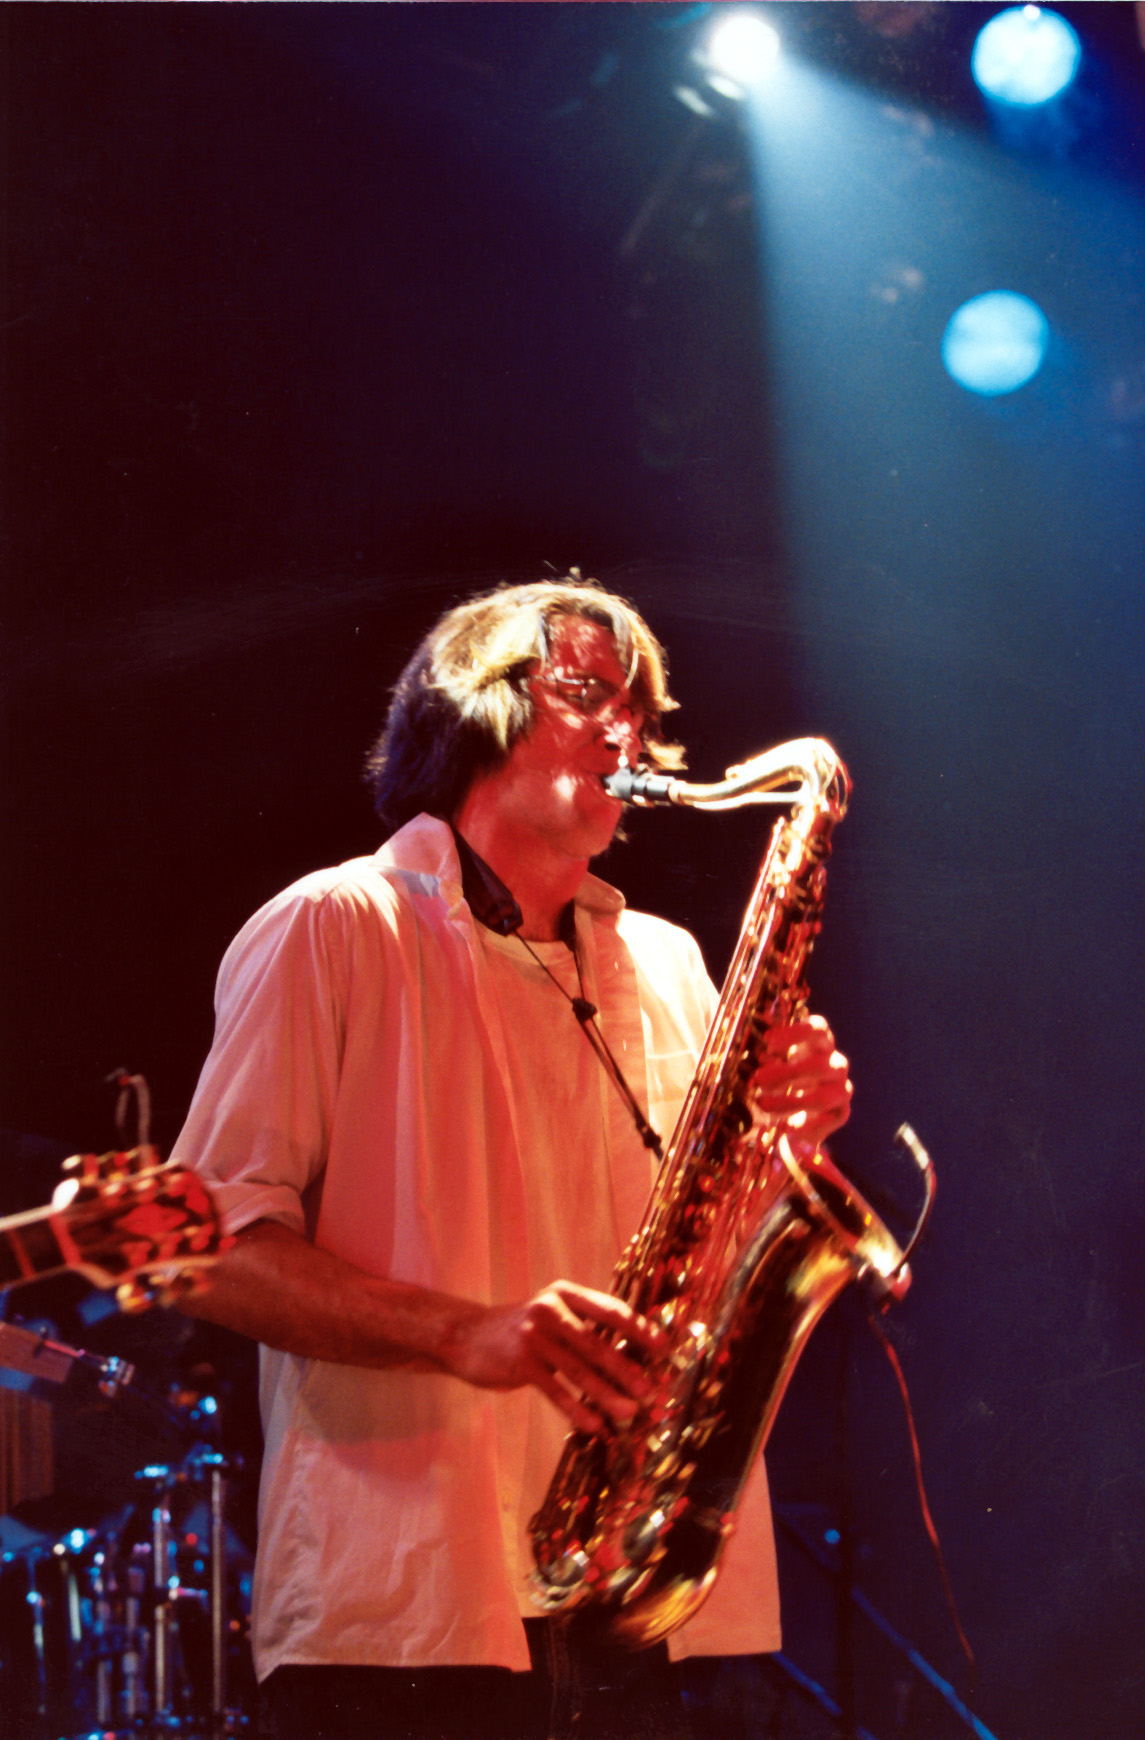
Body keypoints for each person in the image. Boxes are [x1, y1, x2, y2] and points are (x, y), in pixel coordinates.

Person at [174, 576, 852, 1740]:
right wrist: (464, 1331)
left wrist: (786, 1144)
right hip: (407, 1619)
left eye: (637, 707)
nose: (623, 729)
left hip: (648, 1608)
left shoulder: (675, 964)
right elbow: (206, 1250)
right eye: (585, 691)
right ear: (473, 707)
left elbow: (708, 1268)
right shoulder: (333, 926)